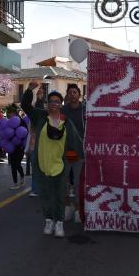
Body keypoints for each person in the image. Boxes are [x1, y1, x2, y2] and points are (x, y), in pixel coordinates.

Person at [21, 82, 83, 238]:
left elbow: (74, 143)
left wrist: (73, 161)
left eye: (57, 101)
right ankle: (49, 220)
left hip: (60, 165)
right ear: (47, 104)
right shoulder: (40, 116)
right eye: (51, 101)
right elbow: (26, 106)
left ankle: (59, 223)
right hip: (42, 165)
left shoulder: (65, 121)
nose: (54, 104)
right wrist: (29, 90)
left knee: (59, 195)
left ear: (60, 104)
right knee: (45, 195)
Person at [61, 83, 85, 222]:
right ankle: (67, 207)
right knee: (63, 183)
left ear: (79, 94)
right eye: (70, 92)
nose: (72, 94)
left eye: (75, 92)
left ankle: (77, 210)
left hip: (80, 153)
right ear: (67, 95)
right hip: (65, 152)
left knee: (77, 184)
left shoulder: (85, 110)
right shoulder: (63, 110)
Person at [5, 104, 26, 190]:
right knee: (13, 165)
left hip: (19, 146)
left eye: (9, 113)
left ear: (14, 113)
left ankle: (22, 176)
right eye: (7, 113)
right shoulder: (8, 122)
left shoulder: (21, 121)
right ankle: (15, 183)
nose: (8, 115)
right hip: (11, 146)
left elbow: (25, 133)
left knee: (17, 164)